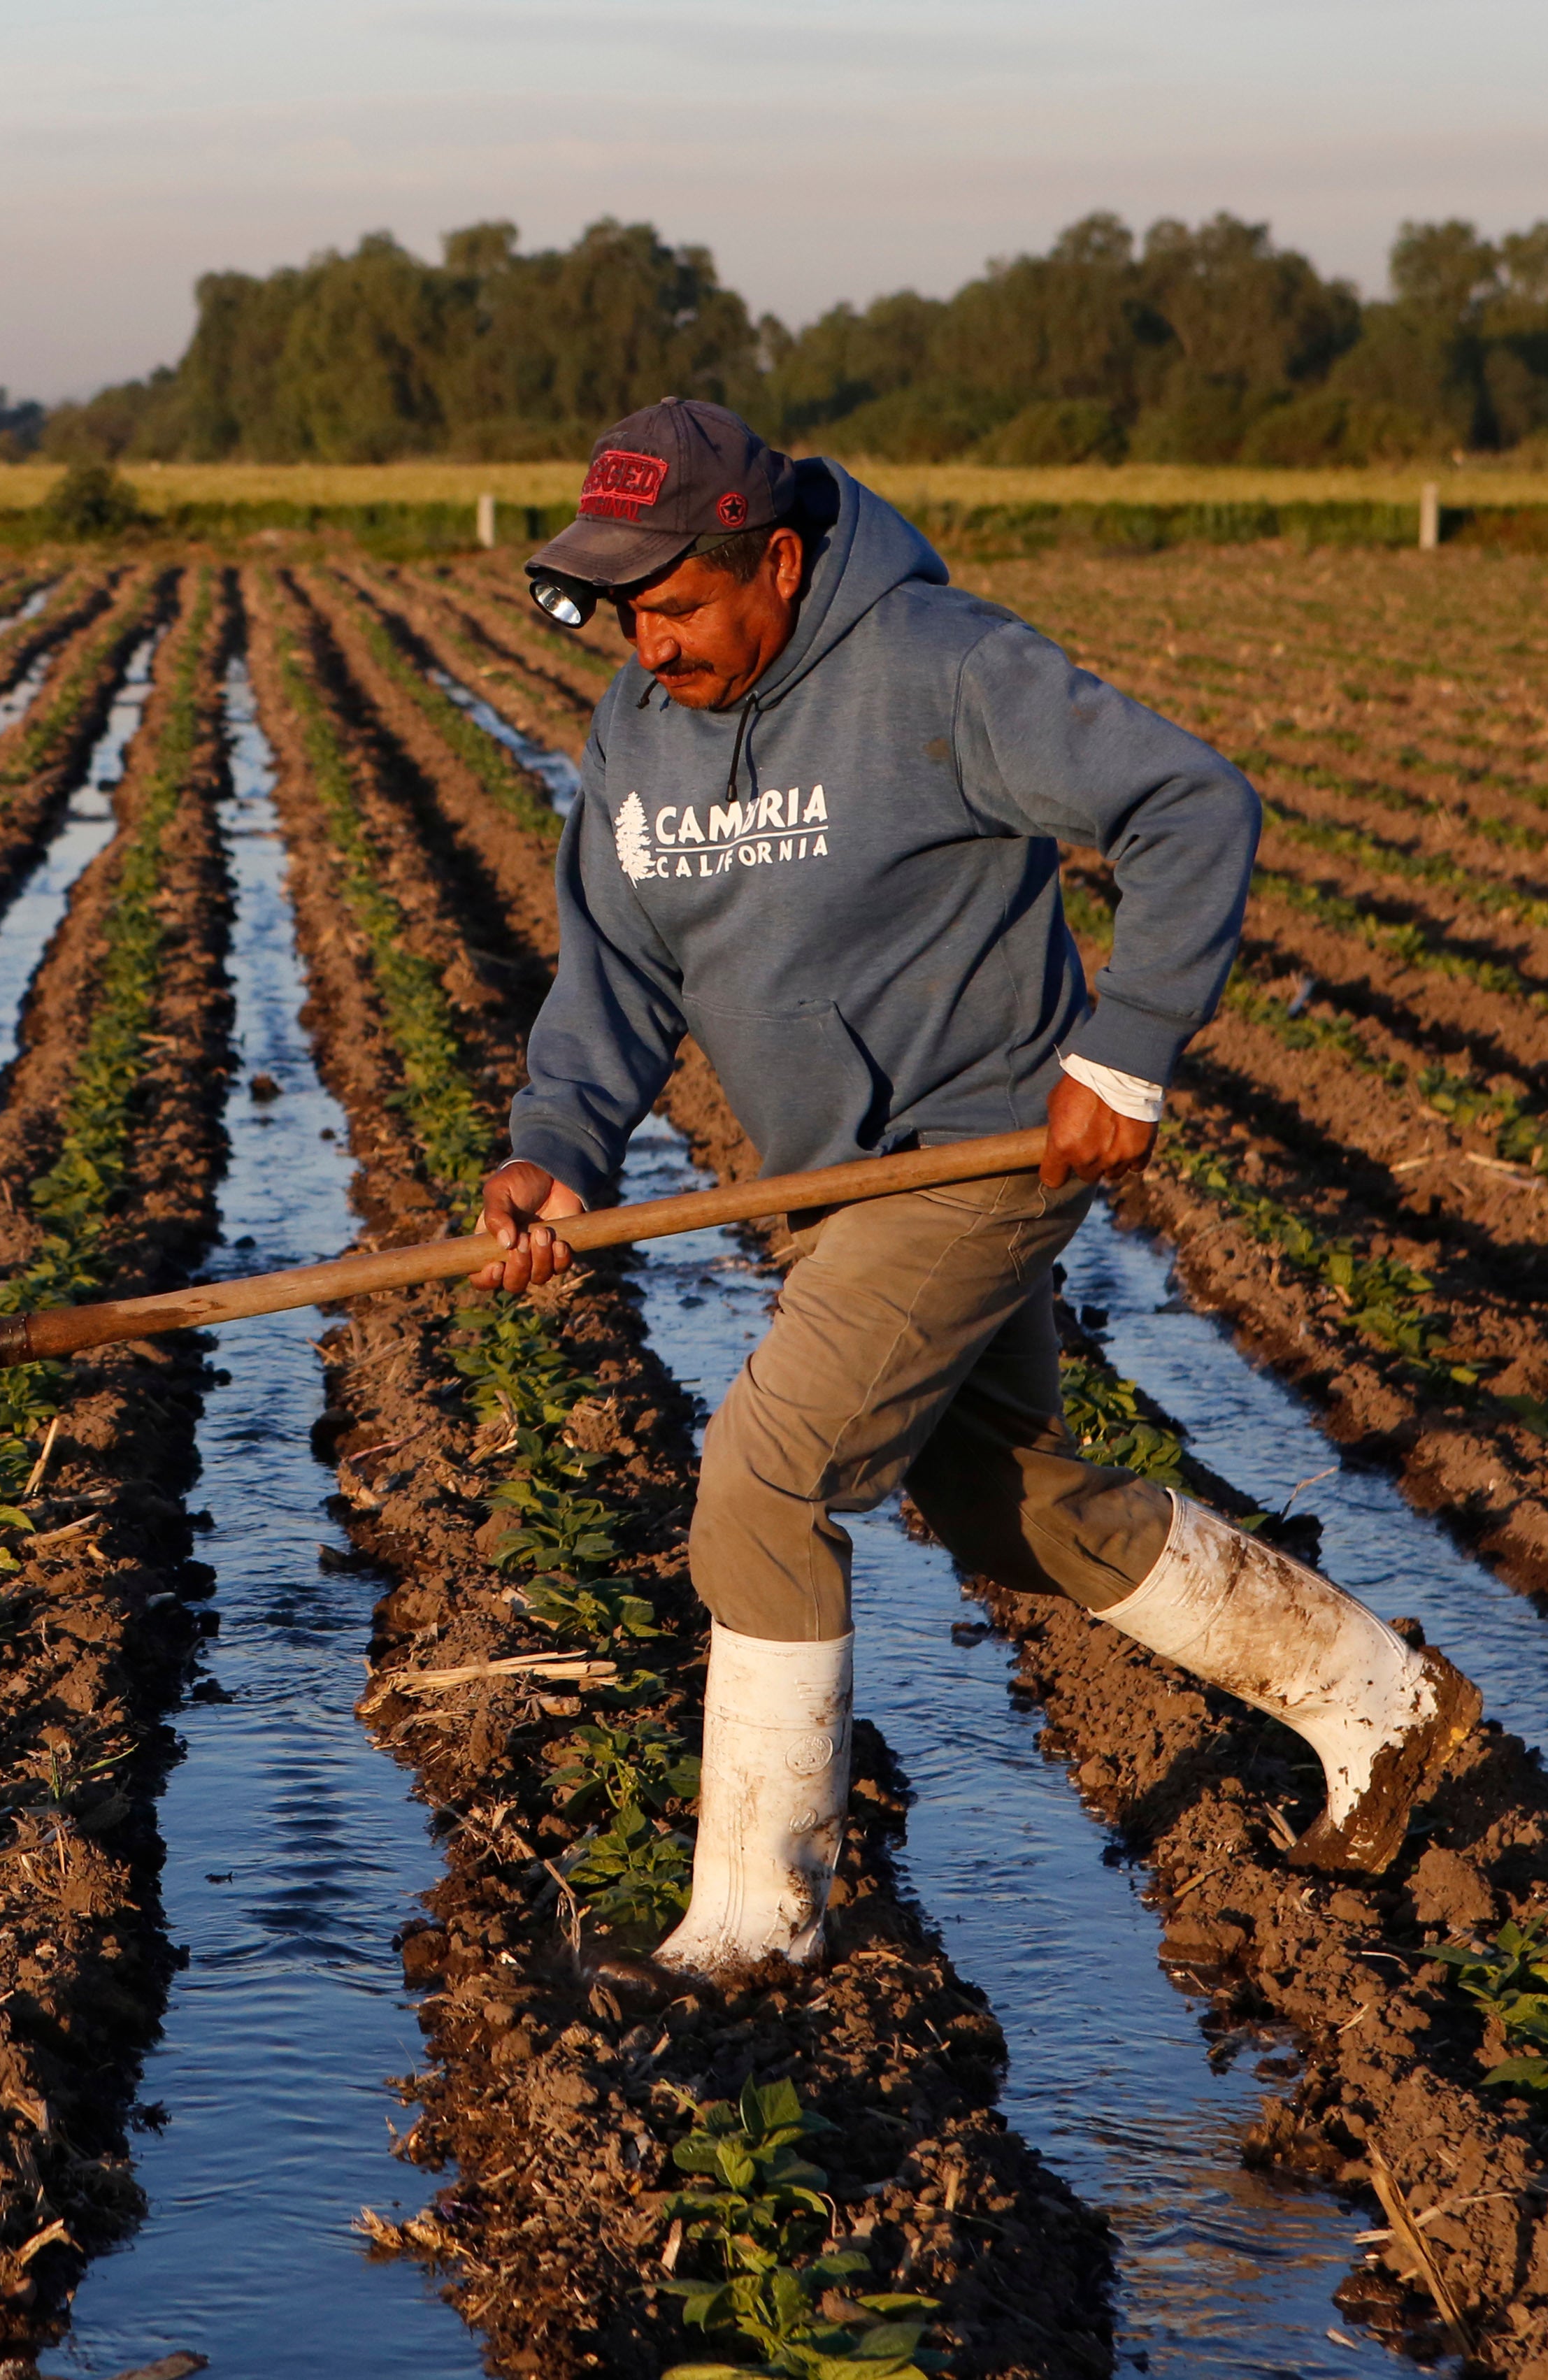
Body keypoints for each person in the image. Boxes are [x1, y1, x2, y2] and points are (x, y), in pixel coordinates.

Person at [472, 396, 1482, 1978]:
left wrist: (1123, 1052)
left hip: (977, 1151)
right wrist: (556, 1150)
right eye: (623, 614)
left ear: (777, 562)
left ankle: (755, 1928)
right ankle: (1378, 1697)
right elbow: (614, 976)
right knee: (1009, 1507)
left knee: (765, 1483)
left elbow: (1191, 804)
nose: (649, 645)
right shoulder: (637, 729)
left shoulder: (937, 665)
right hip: (837, 1181)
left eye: (675, 606)